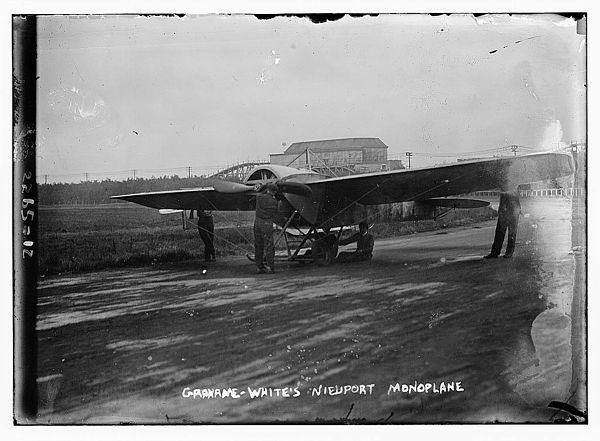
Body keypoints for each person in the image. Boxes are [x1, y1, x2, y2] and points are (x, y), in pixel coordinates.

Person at [484, 190, 522, 259]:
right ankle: (496, 252)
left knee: (511, 233)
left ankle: (507, 252)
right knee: (500, 233)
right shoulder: (506, 187)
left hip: (512, 211)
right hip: (506, 212)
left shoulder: (511, 186)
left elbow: (514, 200)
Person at [254, 183, 280, 274]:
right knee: (269, 245)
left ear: (267, 190)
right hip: (267, 223)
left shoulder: (259, 197)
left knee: (258, 245)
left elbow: (259, 192)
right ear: (275, 192)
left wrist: (263, 186)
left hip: (257, 223)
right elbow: (276, 212)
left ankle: (259, 267)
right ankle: (270, 267)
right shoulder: (274, 201)